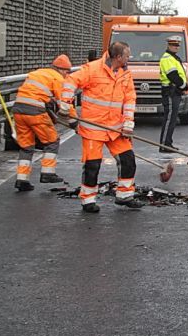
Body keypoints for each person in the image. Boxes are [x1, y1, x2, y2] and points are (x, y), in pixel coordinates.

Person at [59, 41, 142, 213]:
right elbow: (71, 81)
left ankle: (125, 195)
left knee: (128, 160)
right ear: (118, 57)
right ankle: (88, 200)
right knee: (93, 165)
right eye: (127, 55)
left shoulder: (125, 74)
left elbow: (129, 99)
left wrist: (128, 123)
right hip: (93, 128)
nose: (129, 58)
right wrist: (65, 103)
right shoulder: (93, 69)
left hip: (115, 128)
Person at [12, 54, 72, 191]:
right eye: (67, 72)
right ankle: (47, 173)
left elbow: (36, 93)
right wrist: (73, 122)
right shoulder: (58, 79)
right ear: (61, 70)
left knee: (26, 146)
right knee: (52, 141)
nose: (67, 75)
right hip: (35, 112)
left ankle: (22, 180)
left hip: (18, 110)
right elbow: (65, 103)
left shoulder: (37, 73)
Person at [159, 36, 188, 151]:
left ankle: (168, 143)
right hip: (170, 92)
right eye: (173, 45)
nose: (175, 47)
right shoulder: (167, 58)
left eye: (177, 45)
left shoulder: (173, 58)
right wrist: (184, 86)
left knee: (172, 119)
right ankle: (164, 145)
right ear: (168, 46)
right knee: (169, 119)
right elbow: (173, 76)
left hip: (174, 92)